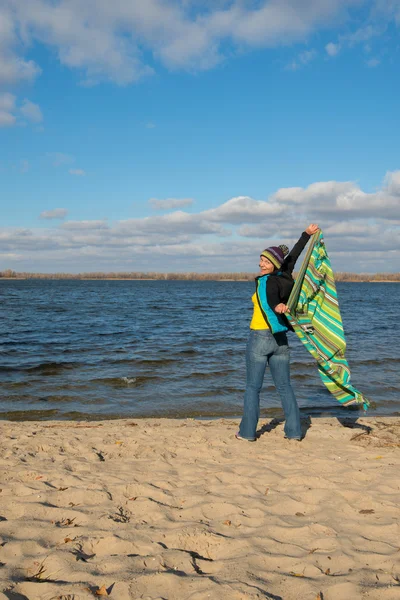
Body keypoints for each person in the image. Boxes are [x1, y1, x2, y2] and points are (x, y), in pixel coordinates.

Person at [236, 223, 319, 442]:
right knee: (285, 386)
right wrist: (306, 235)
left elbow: (268, 298)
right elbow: (294, 255)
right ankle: (293, 432)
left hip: (260, 338)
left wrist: (276, 306)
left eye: (265, 261)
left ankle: (246, 433)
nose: (261, 264)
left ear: (273, 263)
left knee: (253, 388)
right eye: (261, 260)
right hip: (281, 339)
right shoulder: (285, 275)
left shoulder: (265, 281)